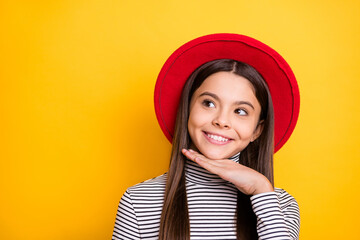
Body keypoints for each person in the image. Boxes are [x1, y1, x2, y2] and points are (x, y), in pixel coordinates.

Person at [112, 34, 301, 240]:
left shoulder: (279, 205)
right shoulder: (139, 201)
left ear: (257, 130)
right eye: (209, 103)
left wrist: (261, 189)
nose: (221, 120)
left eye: (240, 111)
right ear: (188, 110)